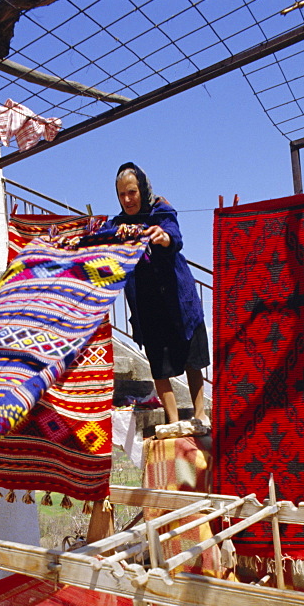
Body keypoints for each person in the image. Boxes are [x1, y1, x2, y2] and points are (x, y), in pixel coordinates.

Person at [110, 161, 211, 427]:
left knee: (191, 358)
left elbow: (174, 235)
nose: (128, 199)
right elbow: (101, 246)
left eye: (132, 192)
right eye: (122, 194)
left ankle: (200, 414)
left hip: (179, 300)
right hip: (148, 305)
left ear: (142, 189)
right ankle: (173, 420)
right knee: (160, 365)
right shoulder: (118, 227)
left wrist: (164, 237)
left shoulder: (161, 211)